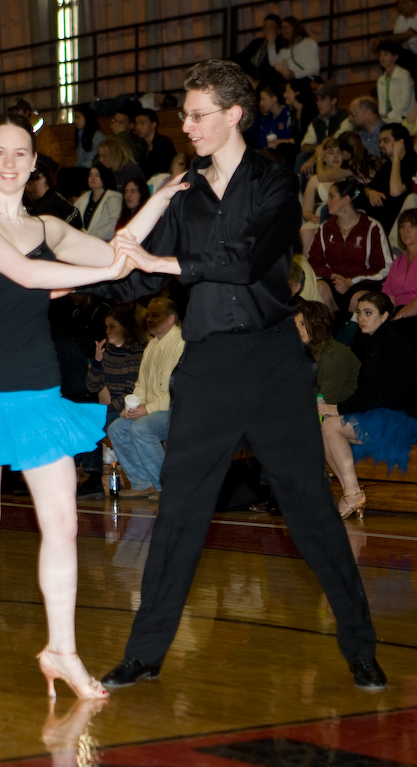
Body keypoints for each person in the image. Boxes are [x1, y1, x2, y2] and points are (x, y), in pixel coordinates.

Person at [87, 59, 387, 692]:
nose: (187, 126)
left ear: (234, 115)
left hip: (275, 362)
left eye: (198, 115)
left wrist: (164, 263)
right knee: (179, 511)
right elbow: (135, 276)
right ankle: (144, 654)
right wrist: (73, 279)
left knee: (309, 506)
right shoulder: (182, 194)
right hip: (208, 367)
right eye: (185, 115)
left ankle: (361, 647)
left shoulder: (276, 183)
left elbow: (246, 259)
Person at [0, 111, 187, 699]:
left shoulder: (49, 227)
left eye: (20, 153)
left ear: (34, 164)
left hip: (35, 387)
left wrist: (161, 200)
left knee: (62, 522)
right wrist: (98, 272)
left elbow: (116, 251)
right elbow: (25, 274)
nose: (9, 162)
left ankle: (63, 651)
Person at [319, 292, 417, 518]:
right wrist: (339, 407)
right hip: (383, 410)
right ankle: (351, 492)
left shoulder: (393, 344)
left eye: (368, 313)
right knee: (325, 427)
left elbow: (380, 394)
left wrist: (339, 408)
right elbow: (365, 391)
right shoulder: (370, 342)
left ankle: (352, 493)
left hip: (403, 417)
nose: (361, 318)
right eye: (359, 312)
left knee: (330, 426)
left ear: (384, 316)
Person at [107, 297, 184, 501]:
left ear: (171, 318)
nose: (149, 319)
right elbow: (141, 384)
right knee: (117, 429)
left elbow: (179, 389)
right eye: (148, 315)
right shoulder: (152, 346)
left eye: (155, 315)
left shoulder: (182, 343)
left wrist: (147, 409)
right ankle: (143, 483)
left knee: (142, 428)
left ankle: (166, 487)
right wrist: (132, 407)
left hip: (178, 410)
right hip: (154, 409)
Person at [78, 305, 147, 498]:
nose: (107, 331)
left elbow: (131, 392)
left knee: (96, 422)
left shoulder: (136, 353)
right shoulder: (108, 352)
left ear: (125, 328)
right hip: (113, 408)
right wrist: (97, 361)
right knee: (82, 420)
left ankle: (93, 478)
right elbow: (92, 386)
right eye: (106, 327)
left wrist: (106, 410)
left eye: (112, 326)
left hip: (131, 407)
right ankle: (89, 476)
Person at [309, 179, 392, 315]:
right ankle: (326, 328)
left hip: (362, 284)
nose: (327, 202)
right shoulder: (325, 228)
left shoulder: (372, 227)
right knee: (319, 288)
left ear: (346, 199)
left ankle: (352, 328)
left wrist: (351, 281)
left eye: (331, 196)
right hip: (335, 283)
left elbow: (384, 267)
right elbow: (314, 263)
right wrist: (333, 275)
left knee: (359, 299)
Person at [294, 299, 360, 404]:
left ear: (318, 324)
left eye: (303, 324)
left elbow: (325, 402)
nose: (296, 330)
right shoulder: (305, 349)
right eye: (295, 324)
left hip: (346, 410)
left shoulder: (334, 357)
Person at [359, 122, 417, 234]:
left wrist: (396, 157)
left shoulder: (413, 162)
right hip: (378, 220)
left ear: (400, 143)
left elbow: (395, 191)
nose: (380, 145)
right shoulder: (387, 166)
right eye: (380, 141)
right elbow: (365, 188)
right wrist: (370, 192)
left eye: (385, 141)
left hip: (399, 223)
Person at [298, 84, 352, 179]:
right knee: (301, 157)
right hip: (323, 160)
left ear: (333, 101)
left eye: (323, 100)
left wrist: (315, 158)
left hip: (339, 160)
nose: (319, 103)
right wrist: (320, 149)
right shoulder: (316, 122)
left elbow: (335, 141)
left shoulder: (345, 118)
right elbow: (304, 147)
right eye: (317, 100)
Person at [383, 208, 417, 347]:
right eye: (402, 226)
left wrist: (398, 317)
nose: (405, 230)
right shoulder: (397, 261)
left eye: (412, 226)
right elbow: (388, 293)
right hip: (398, 314)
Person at [9, 98, 64, 169]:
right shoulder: (30, 121)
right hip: (43, 156)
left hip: (51, 159)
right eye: (14, 111)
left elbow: (23, 140)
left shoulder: (33, 123)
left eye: (17, 110)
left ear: (27, 112)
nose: (15, 113)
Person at [26, 162, 82, 228]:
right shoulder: (45, 200)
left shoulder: (54, 201)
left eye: (30, 184)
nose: (27, 188)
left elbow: (74, 216)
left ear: (42, 180)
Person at [233, 14, 284, 87]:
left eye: (270, 28)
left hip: (266, 80)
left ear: (278, 30)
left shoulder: (281, 45)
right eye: (265, 27)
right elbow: (242, 56)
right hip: (249, 74)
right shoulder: (257, 42)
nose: (267, 30)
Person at [74, 165, 122, 241]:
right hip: (83, 240)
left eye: (97, 175)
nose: (92, 178)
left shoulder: (113, 198)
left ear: (104, 178)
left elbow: (114, 226)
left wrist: (92, 237)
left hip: (105, 241)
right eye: (90, 175)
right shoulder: (84, 197)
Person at [267, 16, 320, 80]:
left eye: (286, 27)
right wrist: (271, 44)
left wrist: (296, 75)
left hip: (306, 80)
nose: (284, 30)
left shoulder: (308, 42)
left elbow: (315, 68)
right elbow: (275, 63)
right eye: (282, 28)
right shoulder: (285, 50)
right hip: (292, 82)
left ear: (295, 28)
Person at [377, 40, 415, 121]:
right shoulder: (381, 80)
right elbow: (382, 106)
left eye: (385, 54)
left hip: (404, 117)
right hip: (389, 119)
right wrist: (381, 118)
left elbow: (404, 104)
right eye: (380, 55)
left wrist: (388, 117)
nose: (382, 58)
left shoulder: (403, 74)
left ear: (395, 57)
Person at [134, 109, 177, 179]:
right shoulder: (140, 144)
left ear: (153, 124)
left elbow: (166, 168)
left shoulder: (164, 142)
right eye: (136, 124)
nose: (138, 127)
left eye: (142, 123)